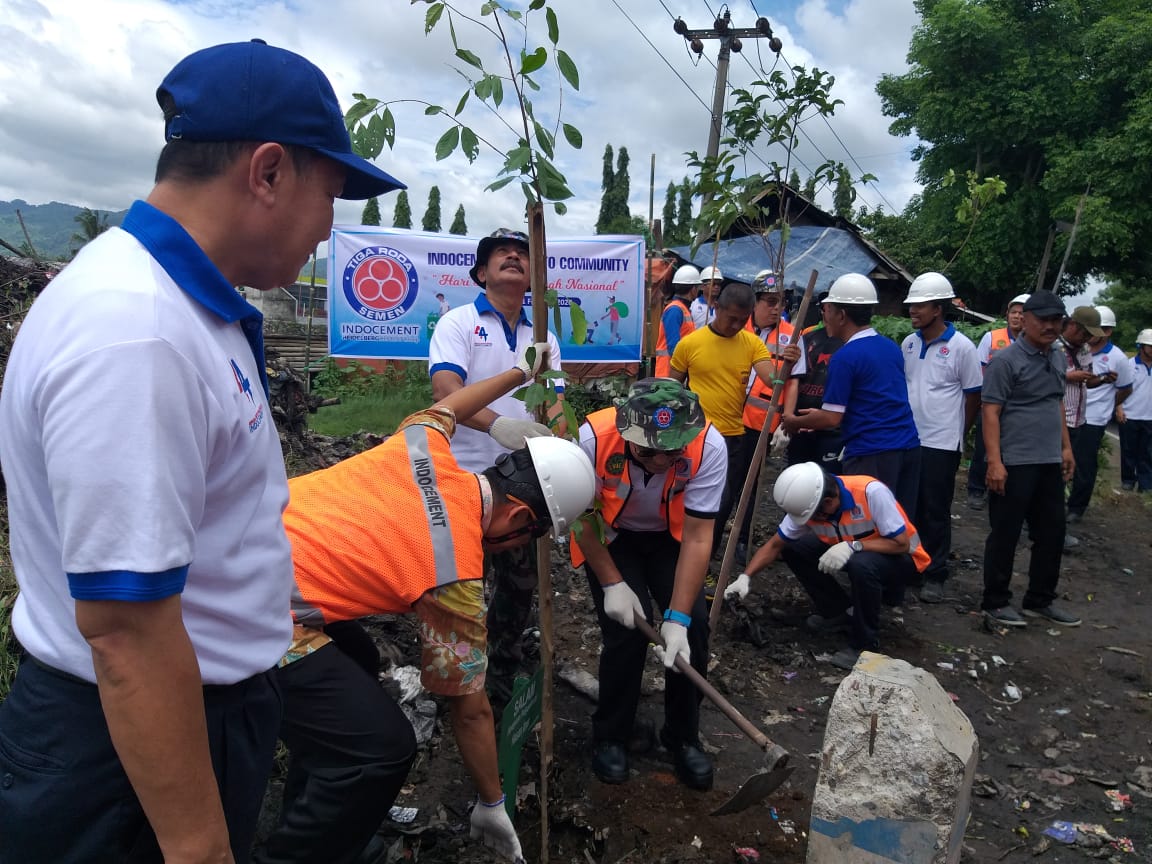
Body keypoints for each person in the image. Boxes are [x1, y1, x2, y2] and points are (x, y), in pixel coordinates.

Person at [0, 40, 405, 863]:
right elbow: (125, 629)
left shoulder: (184, 308)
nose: (331, 226)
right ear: (266, 172)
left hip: (177, 719)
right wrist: (197, 846)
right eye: (331, 193)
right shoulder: (136, 330)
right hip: (128, 749)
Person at [257, 349, 595, 864]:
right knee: (382, 748)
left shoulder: (421, 445)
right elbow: (469, 707)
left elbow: (451, 407)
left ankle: (332, 806)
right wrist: (491, 802)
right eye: (533, 535)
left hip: (239, 549)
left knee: (360, 662)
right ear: (517, 518)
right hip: (248, 615)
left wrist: (521, 373)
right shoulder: (454, 572)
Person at [428, 227, 565, 717]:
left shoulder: (542, 336)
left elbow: (556, 402)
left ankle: (501, 666)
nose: (513, 257)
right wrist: (498, 425)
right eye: (500, 254)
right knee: (460, 583)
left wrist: (558, 447)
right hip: (462, 476)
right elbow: (446, 389)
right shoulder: (459, 322)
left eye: (522, 254)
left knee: (518, 581)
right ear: (482, 273)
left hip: (521, 484)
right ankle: (453, 683)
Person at [572, 379, 728, 790]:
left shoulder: (708, 447)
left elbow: (697, 536)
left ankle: (682, 736)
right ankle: (611, 734)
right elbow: (581, 520)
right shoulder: (591, 439)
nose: (661, 460)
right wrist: (612, 584)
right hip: (611, 535)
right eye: (647, 451)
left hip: (670, 537)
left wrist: (675, 617)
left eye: (671, 451)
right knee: (625, 631)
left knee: (693, 625)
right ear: (626, 433)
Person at [725, 462, 930, 671]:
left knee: (862, 566)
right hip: (852, 549)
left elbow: (902, 544)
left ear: (830, 501)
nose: (812, 521)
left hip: (903, 559)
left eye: (815, 516)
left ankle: (864, 645)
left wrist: (853, 546)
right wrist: (746, 577)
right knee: (794, 547)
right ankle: (838, 612)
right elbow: (775, 544)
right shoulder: (810, 503)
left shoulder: (870, 493)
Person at [669, 282, 795, 555]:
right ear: (716, 308)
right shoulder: (690, 344)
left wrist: (786, 366)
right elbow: (671, 388)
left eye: (743, 319)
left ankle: (705, 557)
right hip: (695, 434)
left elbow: (771, 381)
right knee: (685, 497)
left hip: (730, 438)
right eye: (731, 318)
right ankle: (676, 551)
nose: (737, 325)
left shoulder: (751, 344)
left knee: (720, 503)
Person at [980, 290, 1081, 628]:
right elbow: (990, 412)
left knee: (1052, 532)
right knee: (1005, 533)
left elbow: (1056, 403)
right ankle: (995, 600)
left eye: (1057, 320)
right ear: (1025, 320)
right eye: (1044, 320)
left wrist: (1066, 448)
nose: (1051, 326)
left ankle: (1040, 598)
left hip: (1049, 460)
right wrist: (994, 462)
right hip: (1015, 461)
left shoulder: (1056, 356)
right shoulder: (1005, 361)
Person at [783, 273, 921, 515]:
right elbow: (874, 400)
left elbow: (830, 419)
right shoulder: (889, 347)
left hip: (872, 451)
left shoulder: (846, 357)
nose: (825, 315)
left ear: (842, 315)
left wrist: (794, 421)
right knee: (899, 520)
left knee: (868, 519)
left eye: (829, 309)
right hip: (907, 447)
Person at [900, 273, 982, 603]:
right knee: (909, 507)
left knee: (935, 509)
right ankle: (911, 566)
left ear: (938, 308)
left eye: (919, 305)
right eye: (911, 305)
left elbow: (973, 395)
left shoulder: (962, 347)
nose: (913, 311)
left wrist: (959, 433)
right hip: (909, 438)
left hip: (941, 443)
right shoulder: (908, 343)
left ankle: (935, 572)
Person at [735, 269, 807, 563]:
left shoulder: (791, 336)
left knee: (750, 485)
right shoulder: (738, 329)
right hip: (728, 419)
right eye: (769, 301)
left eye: (780, 302)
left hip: (759, 422)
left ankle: (740, 537)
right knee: (723, 480)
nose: (775, 308)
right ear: (755, 302)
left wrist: (786, 421)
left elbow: (794, 381)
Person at [1067, 305, 1131, 521]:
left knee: (1084, 464)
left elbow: (1125, 388)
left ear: (1107, 331)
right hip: (1068, 414)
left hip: (1093, 418)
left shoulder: (1118, 357)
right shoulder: (1076, 348)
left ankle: (1076, 508)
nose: (1090, 335)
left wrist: (1110, 406)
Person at [967, 294, 1029, 510]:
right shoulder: (992, 338)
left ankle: (1004, 491)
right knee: (983, 448)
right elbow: (978, 368)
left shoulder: (1033, 343)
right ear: (1007, 315)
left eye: (1021, 313)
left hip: (1017, 409)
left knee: (1011, 451)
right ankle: (976, 489)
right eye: (1013, 312)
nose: (1017, 317)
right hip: (991, 404)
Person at [1059, 306, 1106, 547]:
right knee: (1052, 474)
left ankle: (1048, 521)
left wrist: (1102, 379)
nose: (1088, 339)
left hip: (1077, 420)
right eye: (1085, 333)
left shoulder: (1084, 349)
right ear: (1073, 326)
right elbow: (1043, 376)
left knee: (1063, 474)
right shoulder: (1054, 345)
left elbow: (1089, 379)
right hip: (1057, 421)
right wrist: (1070, 376)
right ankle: (1048, 525)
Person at [787, 297, 845, 471]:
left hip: (832, 430)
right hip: (801, 424)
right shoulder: (807, 338)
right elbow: (795, 379)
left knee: (827, 480)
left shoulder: (849, 344)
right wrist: (789, 417)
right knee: (797, 475)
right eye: (826, 307)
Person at [1119, 329, 1152, 492]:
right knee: (1128, 450)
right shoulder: (1130, 365)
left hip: (1149, 416)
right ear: (1141, 346)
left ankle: (1146, 484)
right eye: (1150, 346)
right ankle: (1128, 479)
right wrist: (1118, 408)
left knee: (1147, 452)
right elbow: (1119, 389)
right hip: (1130, 415)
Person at [654, 264, 699, 377]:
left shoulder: (683, 309)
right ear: (693, 288)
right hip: (668, 373)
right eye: (697, 287)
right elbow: (674, 347)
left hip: (675, 372)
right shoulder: (675, 310)